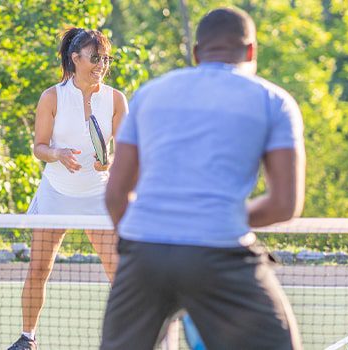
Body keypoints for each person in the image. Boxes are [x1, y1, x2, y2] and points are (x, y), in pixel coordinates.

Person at [101, 7, 306, 350]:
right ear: (252, 50)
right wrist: (216, 216)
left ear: (197, 53)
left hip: (144, 254)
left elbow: (115, 196)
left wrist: (145, 243)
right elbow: (285, 205)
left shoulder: (149, 94)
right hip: (219, 254)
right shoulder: (274, 101)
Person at [7, 27, 128, 350]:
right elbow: (39, 147)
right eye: (94, 58)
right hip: (55, 194)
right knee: (38, 270)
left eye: (105, 58)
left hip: (98, 197)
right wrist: (57, 154)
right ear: (75, 59)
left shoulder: (116, 99)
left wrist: (110, 162)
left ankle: (130, 337)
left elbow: (125, 151)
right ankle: (27, 338)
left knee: (120, 272)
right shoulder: (52, 97)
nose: (101, 65)